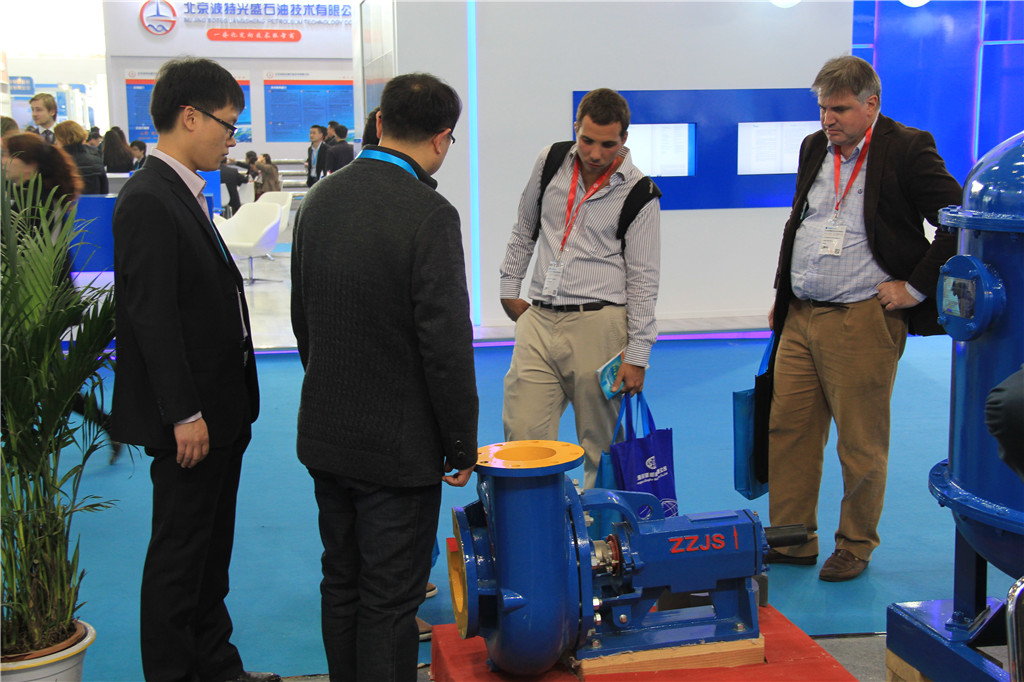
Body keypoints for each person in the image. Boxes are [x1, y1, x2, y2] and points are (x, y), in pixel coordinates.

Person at [291, 72, 477, 682]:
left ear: (378, 123)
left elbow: (302, 321)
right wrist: (460, 443)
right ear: (442, 138)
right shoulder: (430, 213)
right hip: (398, 451)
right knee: (390, 598)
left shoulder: (318, 200)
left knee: (341, 581)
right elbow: (445, 345)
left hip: (327, 433)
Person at [109, 56, 276, 682]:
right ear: (189, 117)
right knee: (180, 561)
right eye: (227, 124)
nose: (231, 139)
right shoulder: (150, 198)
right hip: (193, 420)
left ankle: (217, 667)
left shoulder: (183, 191)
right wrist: (183, 412)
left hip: (221, 411)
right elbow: (152, 318)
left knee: (210, 557)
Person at [765, 55, 961, 582]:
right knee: (789, 429)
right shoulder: (814, 146)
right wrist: (784, 292)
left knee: (860, 441)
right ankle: (792, 538)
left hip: (862, 319)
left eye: (840, 110)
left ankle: (855, 544)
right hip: (800, 314)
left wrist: (915, 288)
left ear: (871, 105)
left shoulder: (907, 148)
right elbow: (801, 222)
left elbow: (956, 220)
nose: (828, 120)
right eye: (823, 109)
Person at [499, 87, 662, 489]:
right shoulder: (551, 160)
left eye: (608, 144)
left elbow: (644, 280)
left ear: (624, 139)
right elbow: (525, 227)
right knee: (523, 436)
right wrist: (509, 287)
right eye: (587, 140)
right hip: (539, 318)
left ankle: (604, 524)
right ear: (576, 127)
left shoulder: (640, 192)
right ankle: (538, 520)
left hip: (600, 325)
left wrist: (638, 355)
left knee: (602, 447)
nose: (595, 153)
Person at [54, 121, 109, 195]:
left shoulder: (56, 164)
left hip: (69, 202)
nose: (55, 142)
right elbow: (104, 192)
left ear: (61, 139)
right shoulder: (96, 161)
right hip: (93, 202)